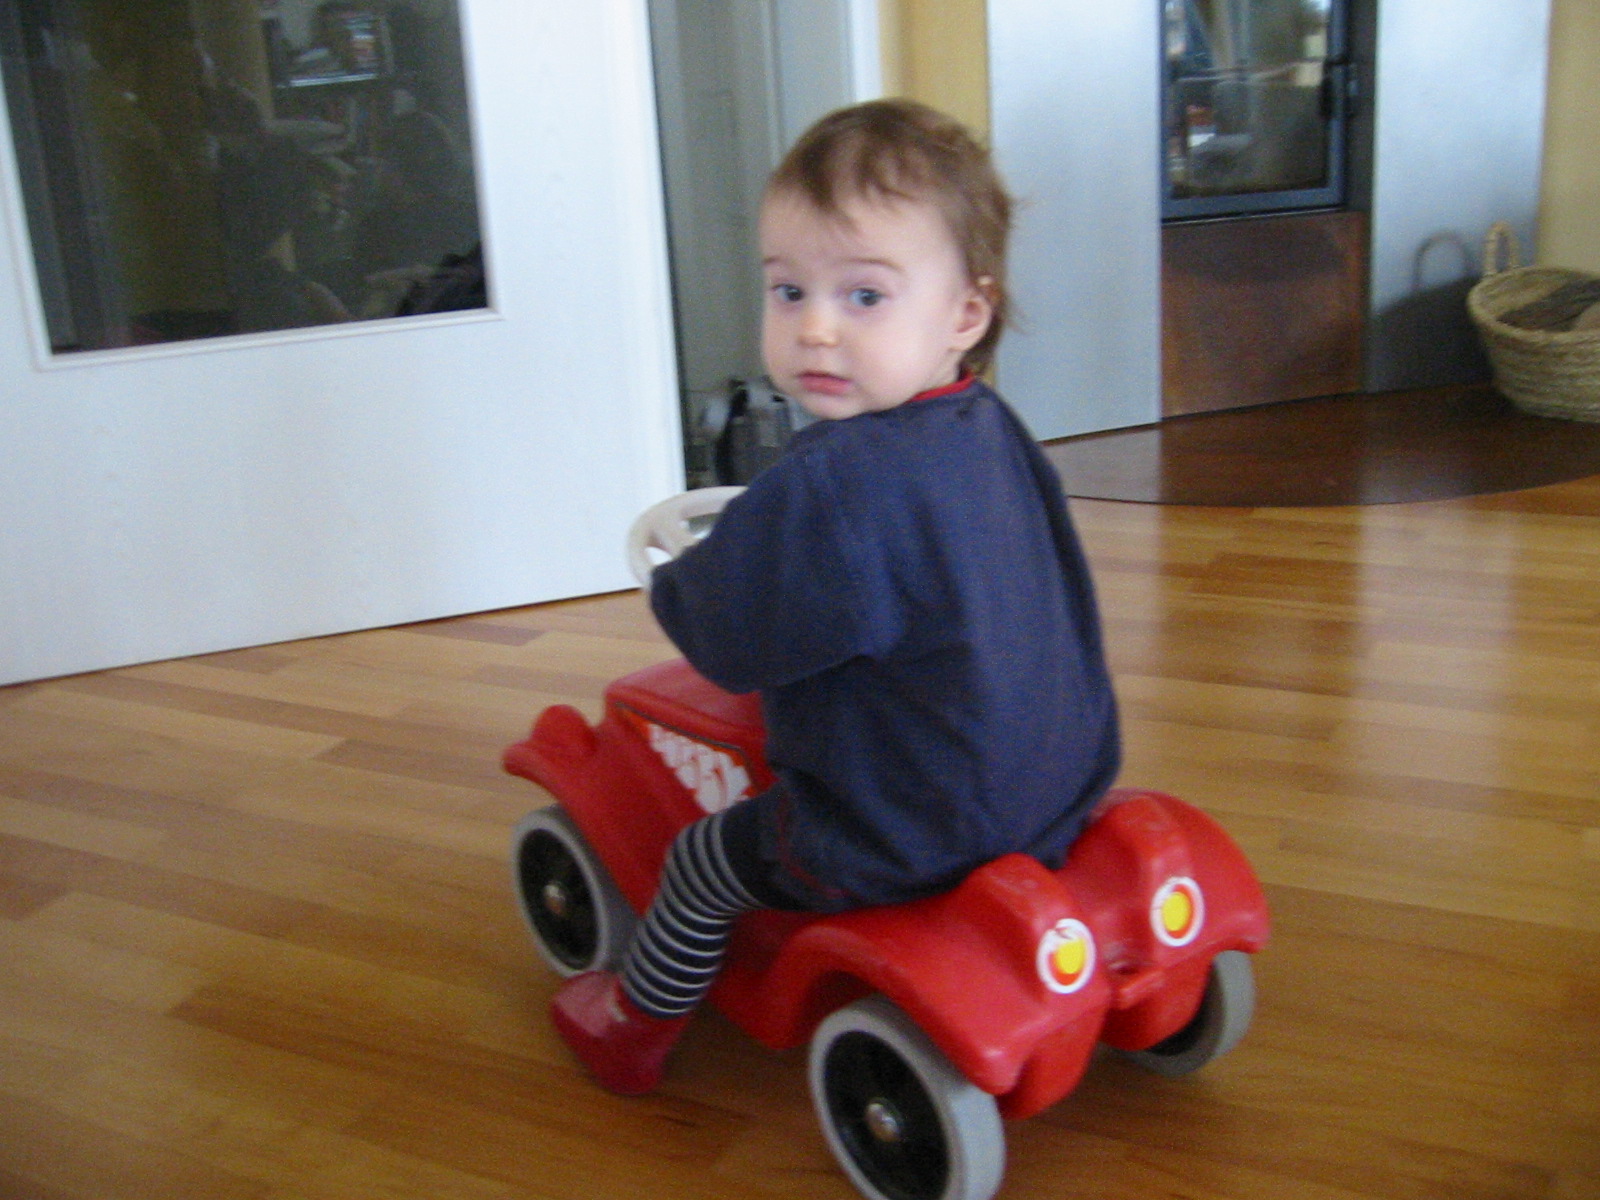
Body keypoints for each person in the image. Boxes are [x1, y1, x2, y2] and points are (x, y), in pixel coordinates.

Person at [550, 98, 1121, 1095]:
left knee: (699, 861)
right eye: (787, 290)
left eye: (864, 296)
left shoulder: (829, 486)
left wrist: (682, 584)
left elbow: (727, 643)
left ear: (965, 315)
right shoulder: (993, 431)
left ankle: (634, 1023)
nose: (814, 326)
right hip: (1054, 792)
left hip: (898, 830)